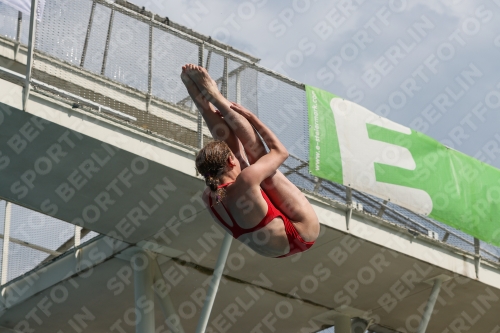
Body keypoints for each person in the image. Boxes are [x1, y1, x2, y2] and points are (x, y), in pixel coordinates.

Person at [181, 64, 319, 258]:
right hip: (302, 232)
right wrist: (252, 118)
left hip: (274, 250)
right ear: (230, 161)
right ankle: (214, 100)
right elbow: (281, 152)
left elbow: (235, 180)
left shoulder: (213, 195)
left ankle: (204, 102)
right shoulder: (220, 191)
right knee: (259, 157)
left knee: (250, 166)